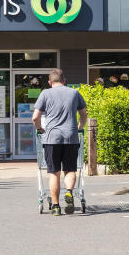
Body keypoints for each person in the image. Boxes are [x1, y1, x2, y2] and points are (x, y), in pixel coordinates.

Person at [31, 69, 87, 216]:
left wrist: (40, 129)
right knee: (70, 170)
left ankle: (56, 206)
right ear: (64, 80)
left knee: (54, 173)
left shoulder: (45, 93)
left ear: (50, 82)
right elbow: (83, 115)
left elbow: (35, 117)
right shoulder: (74, 93)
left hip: (51, 138)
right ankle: (69, 192)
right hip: (71, 137)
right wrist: (79, 127)